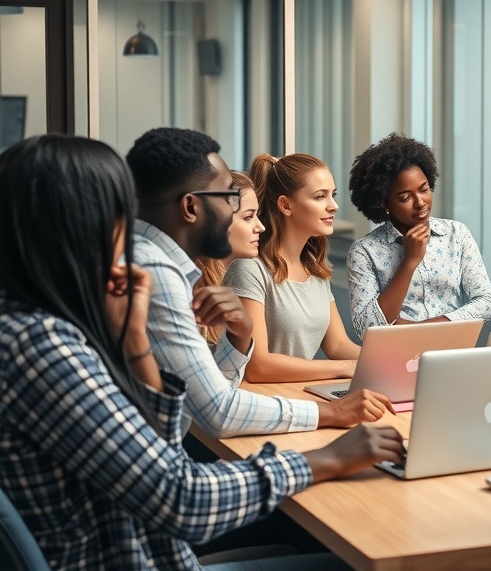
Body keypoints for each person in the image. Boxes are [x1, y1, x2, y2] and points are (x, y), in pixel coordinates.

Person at [0, 134, 406, 570]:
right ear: (86, 223)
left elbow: (159, 456)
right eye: (121, 212)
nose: (132, 232)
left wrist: (138, 350)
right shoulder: (42, 346)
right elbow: (181, 496)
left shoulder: (38, 327)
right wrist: (324, 458)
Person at [127, 127, 393, 438]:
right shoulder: (157, 273)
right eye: (228, 198)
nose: (235, 214)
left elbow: (217, 388)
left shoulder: (165, 268)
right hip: (253, 416)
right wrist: (333, 409)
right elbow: (219, 409)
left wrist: (238, 339)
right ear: (189, 207)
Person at [224, 153, 362, 383]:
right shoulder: (249, 270)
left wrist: (392, 363)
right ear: (285, 205)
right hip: (266, 400)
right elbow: (258, 367)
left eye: (332, 195)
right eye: (320, 197)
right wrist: (345, 368)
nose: (334, 206)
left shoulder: (316, 269)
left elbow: (338, 345)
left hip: (300, 395)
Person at [346, 133, 491, 337]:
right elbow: (367, 327)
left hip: (451, 355)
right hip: (395, 359)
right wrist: (409, 262)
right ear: (384, 203)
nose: (420, 202)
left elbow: (487, 303)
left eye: (424, 189)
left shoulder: (456, 234)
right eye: (405, 197)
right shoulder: (365, 252)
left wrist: (421, 329)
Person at [195, 171, 264, 346]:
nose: (260, 227)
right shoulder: (190, 294)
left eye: (257, 216)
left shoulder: (244, 284)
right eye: (248, 217)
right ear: (217, 221)